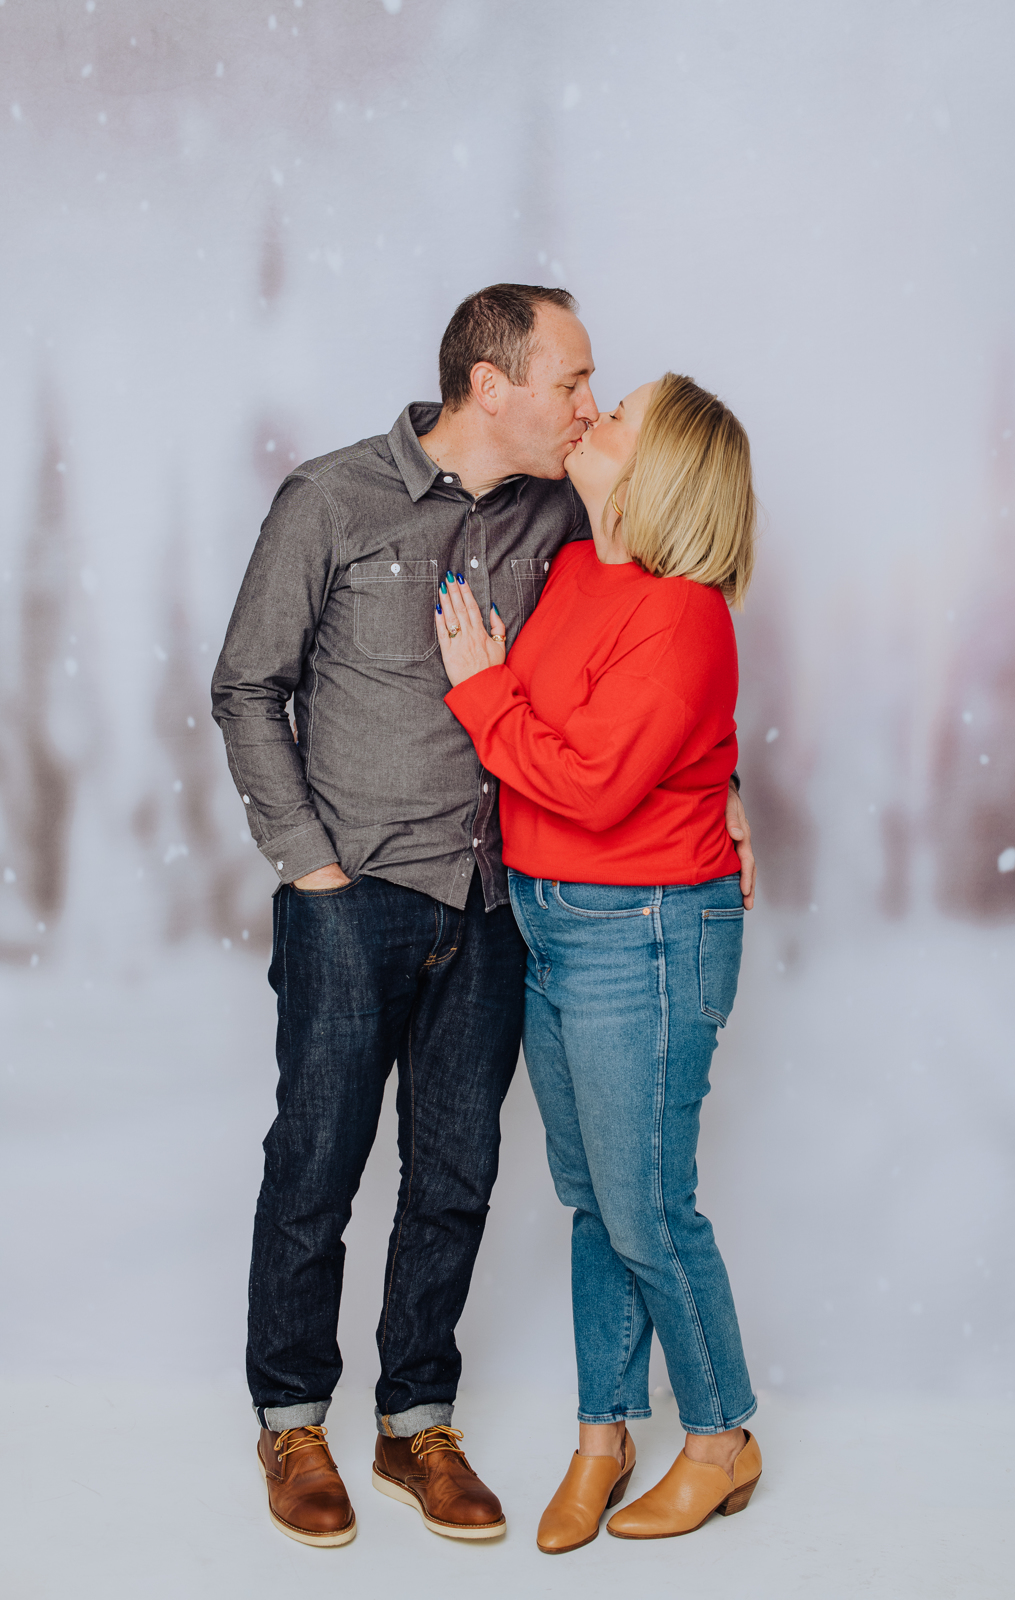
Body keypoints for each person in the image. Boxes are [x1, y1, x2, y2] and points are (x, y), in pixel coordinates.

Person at [212, 285, 757, 1548]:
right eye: (573, 381)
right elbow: (249, 685)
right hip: (355, 896)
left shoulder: (567, 514)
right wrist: (307, 867)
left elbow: (663, 655)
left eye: (596, 394)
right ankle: (292, 1416)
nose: (586, 404)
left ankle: (417, 1420)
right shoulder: (330, 500)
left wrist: (722, 787)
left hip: (504, 904)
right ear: (489, 384)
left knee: (455, 1171)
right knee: (316, 1162)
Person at [437, 372, 761, 1553]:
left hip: (650, 936)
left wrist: (479, 689)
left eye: (613, 413)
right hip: (553, 921)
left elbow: (586, 778)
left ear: (657, 468)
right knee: (592, 1202)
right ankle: (601, 1435)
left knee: (648, 1210)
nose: (591, 417)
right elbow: (567, 736)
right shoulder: (578, 568)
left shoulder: (683, 615)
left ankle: (722, 1439)